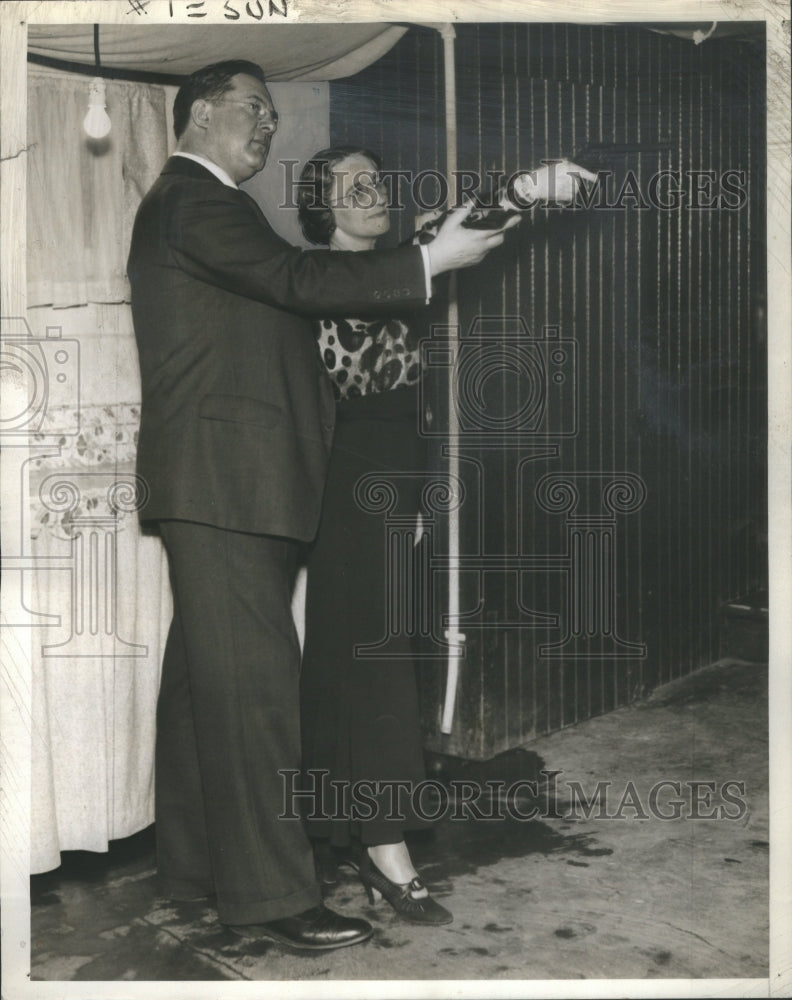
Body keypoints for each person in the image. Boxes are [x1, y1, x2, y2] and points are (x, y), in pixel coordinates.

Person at [126, 59, 514, 953]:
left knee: (204, 692)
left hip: (225, 483)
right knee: (256, 695)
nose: (265, 125)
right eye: (249, 110)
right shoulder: (196, 201)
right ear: (195, 117)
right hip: (228, 484)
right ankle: (272, 901)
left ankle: (192, 875)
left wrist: (415, 244)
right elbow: (301, 285)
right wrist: (426, 262)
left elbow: (292, 293)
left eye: (271, 112)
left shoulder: (204, 208)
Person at [297, 147, 451, 925]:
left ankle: (343, 827)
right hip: (338, 492)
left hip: (392, 489)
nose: (372, 193)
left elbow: (407, 406)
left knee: (370, 660)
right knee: (372, 665)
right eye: (350, 187)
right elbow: (352, 392)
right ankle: (385, 846)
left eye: (377, 181)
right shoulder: (316, 281)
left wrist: (418, 493)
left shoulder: (396, 274)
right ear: (322, 208)